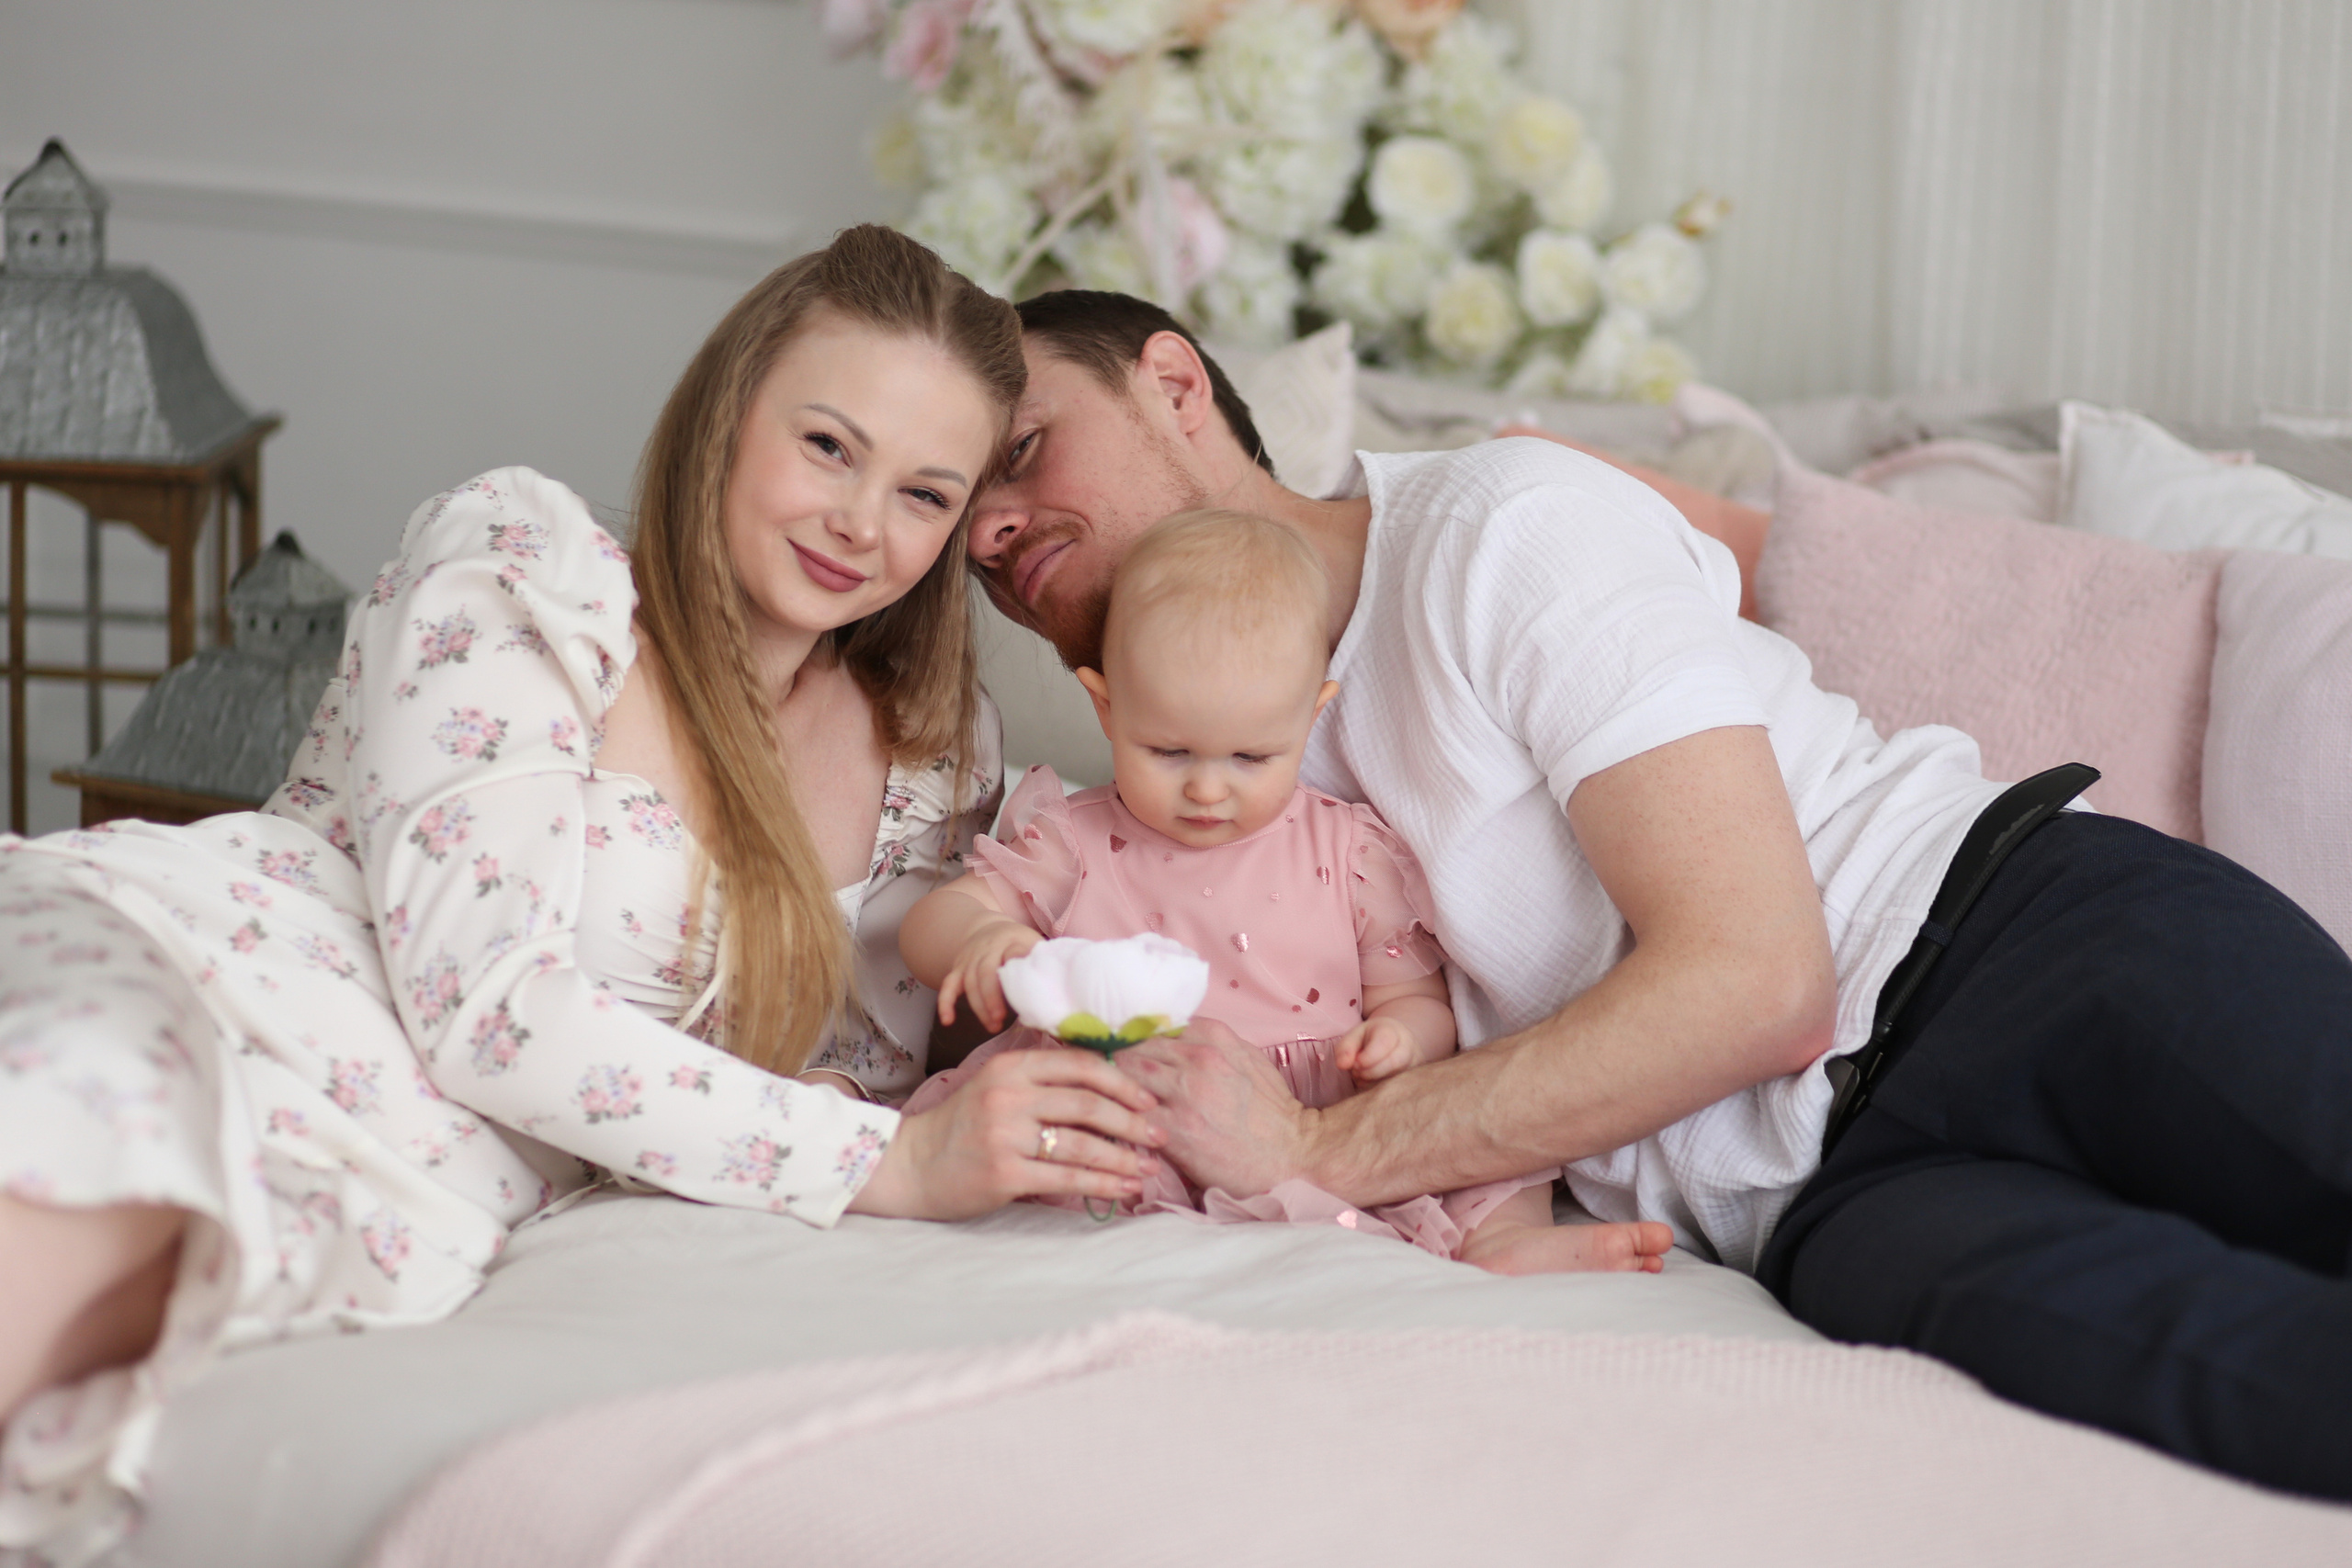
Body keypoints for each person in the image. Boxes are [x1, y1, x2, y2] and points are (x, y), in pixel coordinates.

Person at [964, 288, 2352, 1500]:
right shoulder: (1165, 805)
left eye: (1022, 449)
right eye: (964, 523)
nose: (997, 528)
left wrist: (1320, 1151)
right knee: (2253, 1389)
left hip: (2013, 938)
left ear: (1176, 381)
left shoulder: (1494, 531)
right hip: (1821, 1203)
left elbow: (1758, 981)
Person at [0, 229, 1163, 1562]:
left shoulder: (929, 749)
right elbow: (484, 1007)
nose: (861, 522)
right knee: (90, 1134)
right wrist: (890, 1164)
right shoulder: (528, 570)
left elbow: (848, 1059)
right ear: (729, 412)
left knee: (135, 1337)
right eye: (829, 445)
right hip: (209, 974)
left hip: (411, 1177)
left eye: (923, 493)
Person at [898, 507, 1674, 1272]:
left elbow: (1413, 998)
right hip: (1138, 1104)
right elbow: (934, 922)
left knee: (1479, 1140)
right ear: (1105, 705)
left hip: (1314, 1116)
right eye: (1168, 750)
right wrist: (981, 938)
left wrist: (1402, 1040)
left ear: (1312, 716)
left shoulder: (1349, 849)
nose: (1208, 787)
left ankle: (1501, 1240)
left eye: (1250, 756)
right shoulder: (1074, 839)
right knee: (1057, 1151)